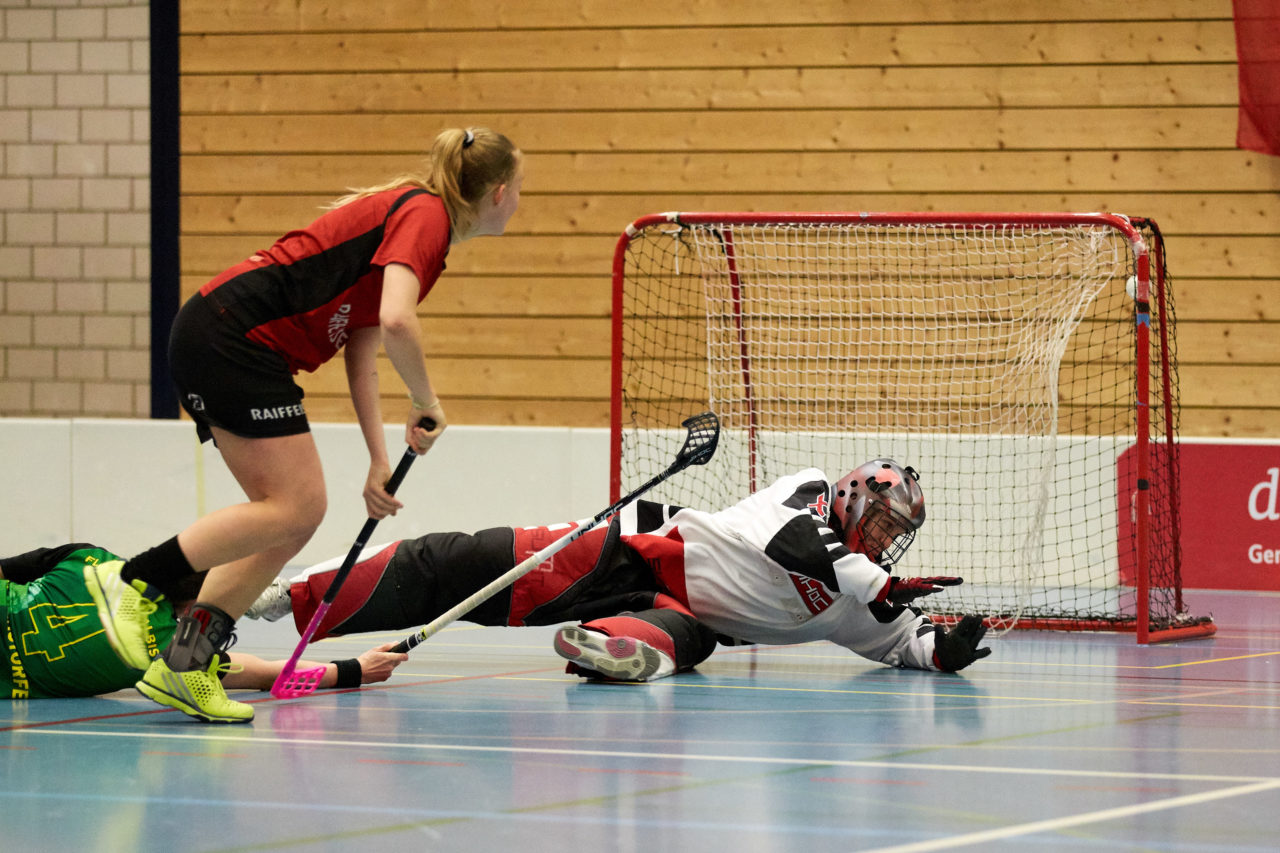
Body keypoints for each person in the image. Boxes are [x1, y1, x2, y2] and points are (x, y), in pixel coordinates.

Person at [83, 126, 523, 723]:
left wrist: (377, 457)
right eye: (520, 189)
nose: (520, 201)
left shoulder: (418, 227)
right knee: (296, 507)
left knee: (285, 522)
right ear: (497, 192)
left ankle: (185, 664)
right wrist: (428, 399)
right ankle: (132, 583)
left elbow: (363, 343)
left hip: (222, 338)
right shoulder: (425, 214)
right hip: (233, 337)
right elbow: (397, 319)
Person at [246, 459, 992, 681]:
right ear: (854, 499)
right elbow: (796, 548)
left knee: (682, 639)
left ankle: (611, 646)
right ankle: (289, 593)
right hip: (630, 549)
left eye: (898, 536)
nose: (886, 542)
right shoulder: (804, 492)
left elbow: (901, 642)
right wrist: (876, 585)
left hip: (689, 615)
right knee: (452, 565)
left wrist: (942, 650)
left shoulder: (868, 593)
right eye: (884, 523)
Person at [1, 544, 408, 705]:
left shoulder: (89, 559)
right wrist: (352, 671)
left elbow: (12, 568)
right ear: (199, 605)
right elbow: (264, 674)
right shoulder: (168, 652)